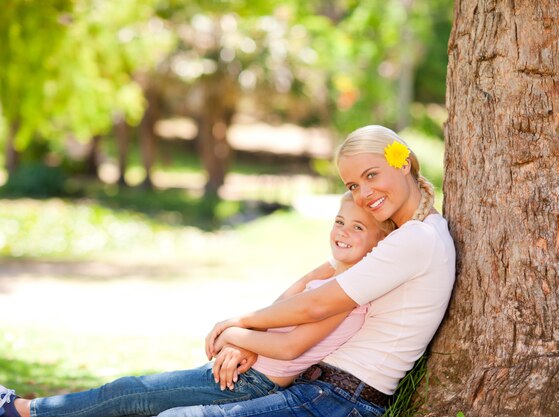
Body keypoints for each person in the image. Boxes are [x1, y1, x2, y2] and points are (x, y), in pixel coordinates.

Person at [0, 192, 393, 417]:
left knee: (133, 393)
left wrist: (234, 333)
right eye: (340, 221)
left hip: (253, 383)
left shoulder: (348, 292)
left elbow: (291, 347)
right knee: (138, 399)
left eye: (358, 228)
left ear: (379, 245)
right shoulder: (335, 270)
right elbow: (285, 302)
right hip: (244, 367)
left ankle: (19, 411)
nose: (342, 232)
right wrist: (244, 341)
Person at [157, 124, 456, 417]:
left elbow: (316, 305)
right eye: (353, 185)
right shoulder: (401, 236)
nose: (364, 193)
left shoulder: (418, 238)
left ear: (403, 164)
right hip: (311, 385)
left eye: (371, 175)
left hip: (341, 401)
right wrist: (253, 337)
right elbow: (318, 280)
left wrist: (240, 325)